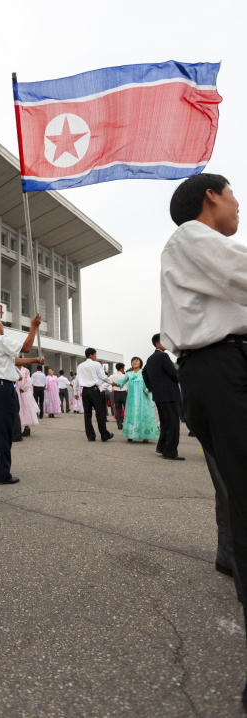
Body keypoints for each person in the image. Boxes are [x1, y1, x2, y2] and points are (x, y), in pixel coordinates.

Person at [159, 173, 247, 708]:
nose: (238, 204)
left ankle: (230, 557)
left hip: (228, 367)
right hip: (219, 370)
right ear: (210, 197)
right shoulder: (190, 237)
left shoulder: (204, 246)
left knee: (236, 493)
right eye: (234, 193)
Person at [0, 314, 43, 485]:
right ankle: (2, 473)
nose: (3, 325)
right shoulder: (2, 339)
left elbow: (14, 359)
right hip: (4, 388)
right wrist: (33, 326)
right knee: (4, 430)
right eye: (1, 323)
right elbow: (26, 347)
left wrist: (35, 360)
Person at [143, 334, 184, 460]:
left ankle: (162, 447)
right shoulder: (163, 356)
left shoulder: (150, 359)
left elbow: (145, 373)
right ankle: (170, 452)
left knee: (165, 423)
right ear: (158, 344)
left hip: (158, 395)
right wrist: (179, 379)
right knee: (172, 423)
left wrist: (151, 387)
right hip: (169, 394)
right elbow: (173, 373)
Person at [115, 357, 159, 443]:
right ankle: (131, 434)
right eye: (133, 361)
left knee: (143, 414)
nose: (134, 362)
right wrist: (113, 383)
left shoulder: (144, 373)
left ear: (140, 363)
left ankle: (145, 435)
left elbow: (150, 382)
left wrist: (147, 390)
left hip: (143, 397)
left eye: (136, 361)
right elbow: (121, 382)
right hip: (132, 398)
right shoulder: (128, 374)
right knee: (132, 414)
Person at [77, 349, 116, 442]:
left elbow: (78, 380)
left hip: (85, 390)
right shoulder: (96, 364)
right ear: (90, 355)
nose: (96, 356)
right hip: (94, 390)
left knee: (87, 414)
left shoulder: (80, 366)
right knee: (100, 413)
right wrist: (112, 383)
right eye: (95, 354)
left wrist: (75, 393)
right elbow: (103, 377)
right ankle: (104, 435)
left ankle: (90, 436)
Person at [15, 365, 39, 436]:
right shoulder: (13, 368)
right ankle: (16, 429)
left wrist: (24, 388)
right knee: (17, 410)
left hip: (24, 392)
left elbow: (28, 381)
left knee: (26, 409)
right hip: (16, 391)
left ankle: (27, 428)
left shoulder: (26, 370)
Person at [110, 363, 127, 430]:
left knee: (118, 410)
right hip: (124, 393)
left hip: (116, 393)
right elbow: (128, 384)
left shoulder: (112, 376)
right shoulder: (124, 376)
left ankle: (119, 425)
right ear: (121, 368)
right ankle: (126, 424)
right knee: (127, 409)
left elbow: (108, 383)